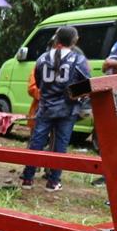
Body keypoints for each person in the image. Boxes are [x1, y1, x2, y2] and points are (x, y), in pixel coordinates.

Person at [20, 26, 90, 192]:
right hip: (67, 109)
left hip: (45, 106)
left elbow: (38, 81)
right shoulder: (77, 59)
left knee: (37, 141)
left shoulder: (43, 58)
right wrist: (74, 95)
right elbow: (86, 83)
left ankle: (28, 178)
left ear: (56, 39)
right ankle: (53, 181)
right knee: (60, 144)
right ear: (75, 41)